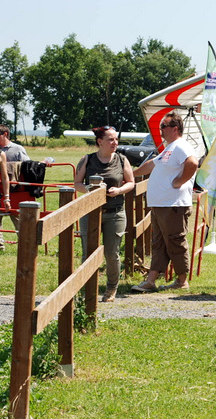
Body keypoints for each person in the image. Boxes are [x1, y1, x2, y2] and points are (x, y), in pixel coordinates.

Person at [131, 112, 198, 293]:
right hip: (162, 205)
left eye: (163, 127)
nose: (160, 131)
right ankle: (151, 280)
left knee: (175, 241)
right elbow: (151, 164)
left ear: (175, 128)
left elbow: (192, 163)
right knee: (159, 243)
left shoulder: (181, 146)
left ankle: (182, 280)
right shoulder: (169, 148)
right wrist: (131, 174)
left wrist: (179, 182)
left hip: (174, 205)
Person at [74, 126, 135, 302]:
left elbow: (131, 182)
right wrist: (89, 189)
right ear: (99, 141)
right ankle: (87, 289)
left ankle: (111, 289)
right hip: (90, 212)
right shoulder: (87, 159)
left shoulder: (122, 160)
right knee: (88, 252)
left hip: (115, 212)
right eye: (110, 139)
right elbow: (77, 183)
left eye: (116, 139)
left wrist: (120, 190)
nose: (115, 143)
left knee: (111, 253)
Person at [0, 125, 30, 250]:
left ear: (5, 134)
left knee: (17, 217)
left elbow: (27, 166)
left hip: (15, 189)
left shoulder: (18, 149)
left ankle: (25, 244)